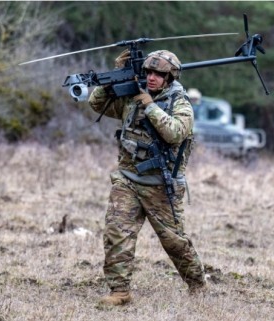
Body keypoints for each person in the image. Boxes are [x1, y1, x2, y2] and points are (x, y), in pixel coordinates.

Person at [88, 49, 207, 306]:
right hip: (128, 179)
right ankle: (120, 291)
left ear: (170, 77)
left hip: (160, 186)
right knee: (116, 232)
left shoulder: (180, 103)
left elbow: (175, 133)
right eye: (148, 72)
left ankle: (198, 284)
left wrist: (150, 106)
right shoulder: (132, 97)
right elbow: (96, 104)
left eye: (158, 74)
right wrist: (113, 80)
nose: (151, 78)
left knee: (174, 242)